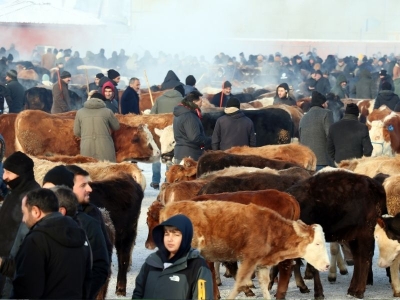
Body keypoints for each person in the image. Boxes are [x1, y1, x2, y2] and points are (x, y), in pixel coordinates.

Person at [12, 188, 91, 299]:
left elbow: (27, 288)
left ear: (35, 211)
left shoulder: (35, 240)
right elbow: (87, 280)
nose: (23, 220)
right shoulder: (81, 235)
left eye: (24, 213)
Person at [46, 180, 110, 299]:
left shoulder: (89, 226)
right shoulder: (42, 230)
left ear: (61, 210)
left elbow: (100, 266)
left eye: (47, 208)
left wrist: (84, 294)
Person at [132, 214, 213, 299]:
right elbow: (138, 294)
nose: (170, 239)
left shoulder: (197, 266)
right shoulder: (152, 262)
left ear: (186, 236)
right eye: (166, 234)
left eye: (176, 234)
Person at [0, 151, 40, 297]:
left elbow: (26, 238)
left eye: (9, 172)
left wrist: (11, 266)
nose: (4, 177)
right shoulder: (13, 193)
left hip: (14, 271)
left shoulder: (34, 197)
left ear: (22, 174)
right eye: (4, 171)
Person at [149, 84, 184, 189]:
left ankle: (155, 180)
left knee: (157, 155)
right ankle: (167, 179)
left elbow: (151, 116)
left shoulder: (159, 99)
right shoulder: (182, 100)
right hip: (173, 132)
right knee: (169, 155)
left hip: (159, 132)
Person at [74, 93, 120, 162]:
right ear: (102, 101)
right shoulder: (107, 111)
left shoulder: (80, 112)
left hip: (86, 147)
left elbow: (76, 132)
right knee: (106, 169)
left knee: (90, 170)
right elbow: (116, 127)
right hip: (105, 147)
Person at [173, 90, 211, 164]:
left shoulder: (180, 113)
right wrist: (210, 140)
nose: (202, 104)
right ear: (194, 102)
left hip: (180, 153)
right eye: (201, 101)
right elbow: (194, 138)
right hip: (189, 157)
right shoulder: (189, 116)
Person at [299, 91, 334, 171]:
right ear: (322, 104)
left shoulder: (303, 117)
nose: (327, 105)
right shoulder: (327, 113)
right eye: (326, 103)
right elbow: (330, 135)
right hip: (323, 160)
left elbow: (301, 138)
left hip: (307, 161)